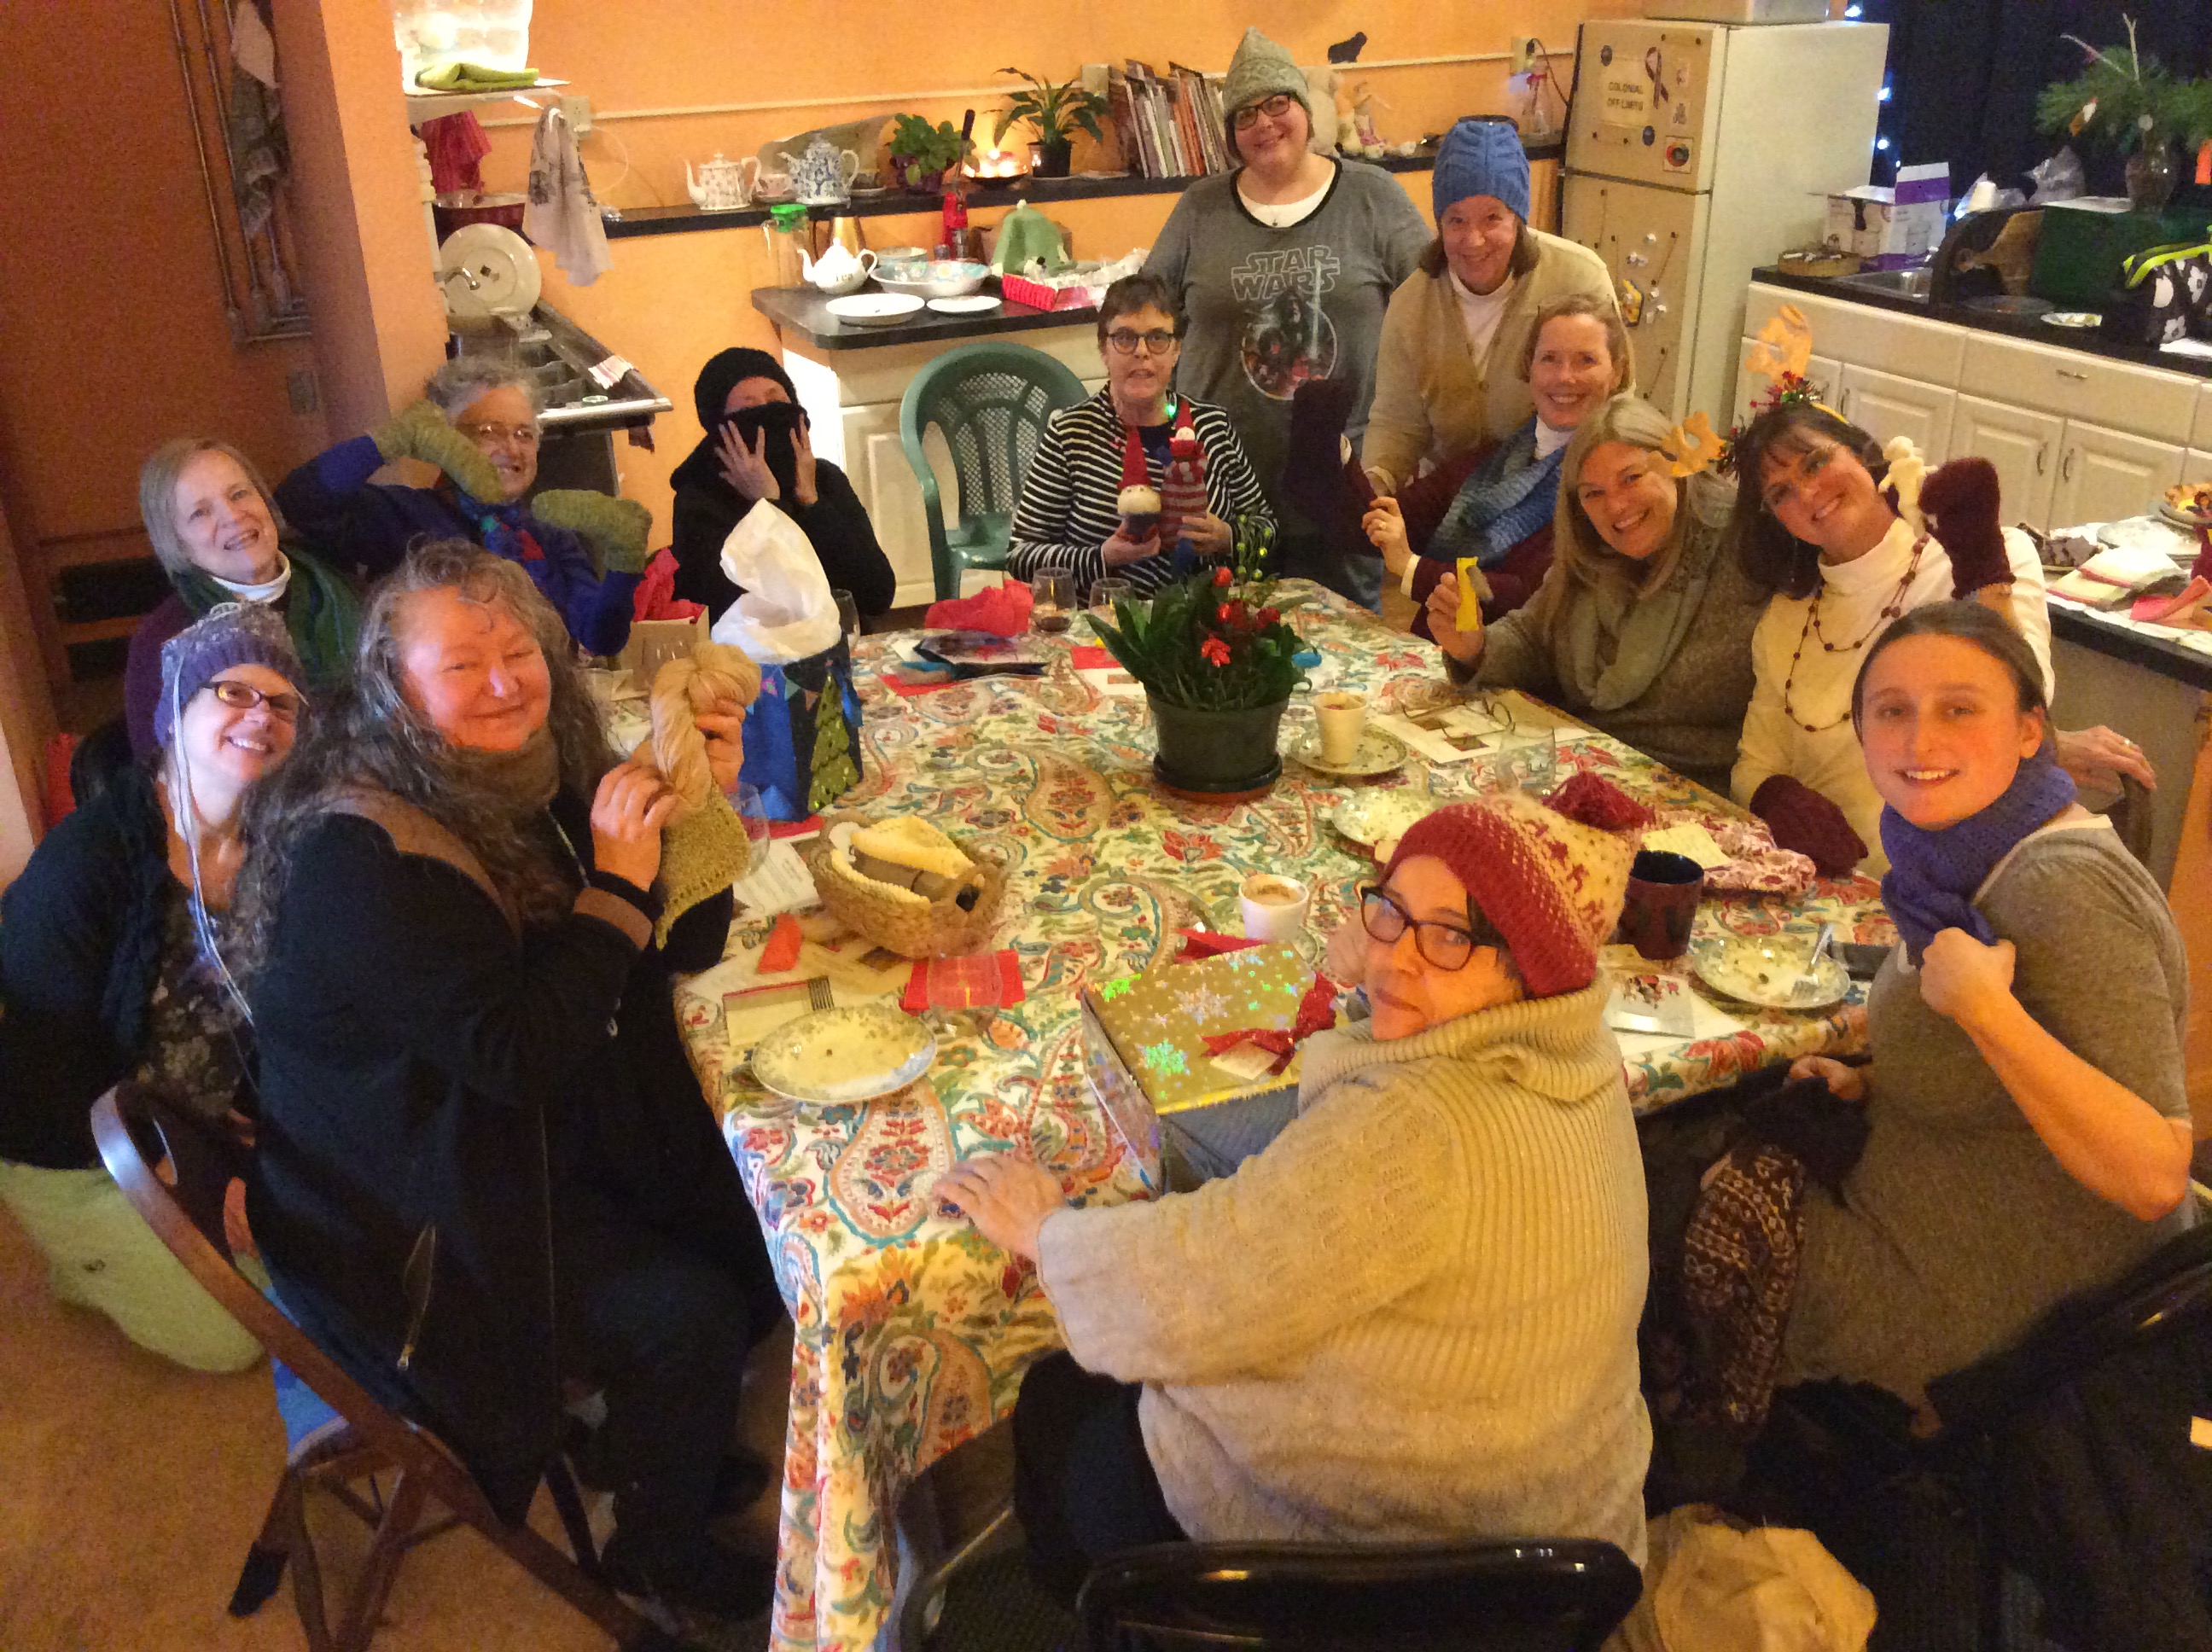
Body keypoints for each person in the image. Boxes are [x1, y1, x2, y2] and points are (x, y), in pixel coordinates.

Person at [236, 541, 783, 1622]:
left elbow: (674, 946)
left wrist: (700, 808)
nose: (504, 683)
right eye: (462, 664)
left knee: (746, 1217)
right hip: (411, 1213)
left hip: (495, 1126)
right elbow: (521, 1049)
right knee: (689, 1309)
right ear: (394, 686)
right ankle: (658, 1553)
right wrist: (619, 884)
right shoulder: (360, 855)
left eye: (518, 651)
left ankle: (655, 1441)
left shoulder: (532, 769)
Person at [939, 795, 1650, 1601]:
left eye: (1451, 936)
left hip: (1397, 1583)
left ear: (1527, 968)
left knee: (1057, 1402)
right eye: (1392, 912)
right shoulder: (1580, 1052)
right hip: (1567, 1538)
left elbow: (1195, 1280)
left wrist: (1044, 1229)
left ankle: (1112, 1616)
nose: (1397, 958)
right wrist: (1380, 977)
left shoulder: (1412, 1130)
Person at [1778, 602, 2193, 1408]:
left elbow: (2155, 1175)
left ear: (2032, 730)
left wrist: (1986, 1014)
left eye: (1959, 710)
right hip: (1940, 1229)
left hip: (2002, 1323)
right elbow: (2005, 1075)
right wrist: (1879, 1078)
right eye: (1891, 711)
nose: (1918, 742)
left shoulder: (2059, 886)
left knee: (1655, 1199)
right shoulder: (1948, 859)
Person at [0, 605, 305, 1372]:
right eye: (233, 692)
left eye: (282, 703)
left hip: (197, 1122)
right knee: (237, 1338)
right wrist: (178, 1180)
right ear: (174, 713)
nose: (261, 716)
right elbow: (44, 1073)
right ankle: (82, 1263)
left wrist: (251, 1150)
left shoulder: (279, 847)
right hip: (77, 1150)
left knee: (323, 1270)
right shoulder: (86, 863)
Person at [1726, 403, 2151, 875]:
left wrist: (1983, 573)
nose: (1808, 492)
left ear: (1861, 452)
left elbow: (2026, 700)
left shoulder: (1989, 554)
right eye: (1781, 493)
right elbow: (1753, 765)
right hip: (1832, 883)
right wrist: (1777, 797)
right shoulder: (1787, 619)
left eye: (1816, 462)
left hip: (1958, 887)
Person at [1144, 26, 1429, 607]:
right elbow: (1146, 313)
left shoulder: (1372, 197)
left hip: (1340, 484)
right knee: (1217, 640)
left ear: (1305, 110)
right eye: (1245, 114)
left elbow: (1434, 307)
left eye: (1278, 104)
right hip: (1221, 491)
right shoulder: (1200, 209)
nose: (1265, 124)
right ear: (1231, 134)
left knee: (1343, 645)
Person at [1423, 393, 1761, 794]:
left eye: (1632, 478)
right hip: (1580, 771)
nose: (1616, 506)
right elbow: (1533, 638)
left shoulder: (1744, 551)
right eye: (1593, 493)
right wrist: (1475, 647)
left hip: (1690, 792)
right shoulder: (1591, 554)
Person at [276, 358, 647, 657]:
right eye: (489, 431)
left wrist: (624, 561)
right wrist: (392, 440)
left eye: (524, 434)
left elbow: (601, 638)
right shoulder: (403, 516)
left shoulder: (547, 532)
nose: (511, 449)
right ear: (446, 439)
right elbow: (300, 501)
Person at [1362, 117, 1619, 498]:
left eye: (1492, 218)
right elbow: (1396, 423)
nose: (1474, 240)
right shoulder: (1411, 305)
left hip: (1563, 487)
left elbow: (1617, 405)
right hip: (1454, 499)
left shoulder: (1580, 279)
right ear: (1439, 224)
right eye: (1457, 220)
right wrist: (1375, 486)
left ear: (1518, 219)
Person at [1363, 293, 1630, 628]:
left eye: (1585, 360)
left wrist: (1409, 566)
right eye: (1549, 359)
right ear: (1529, 368)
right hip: (1444, 643)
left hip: (1515, 658)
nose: (1565, 377)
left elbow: (1528, 595)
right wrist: (1335, 449)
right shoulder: (1491, 460)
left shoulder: (1612, 482)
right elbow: (1382, 519)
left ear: (1617, 372)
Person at [1008, 274, 1273, 598]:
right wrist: (1103, 557)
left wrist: (1228, 537)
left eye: (1158, 338)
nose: (1142, 352)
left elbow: (1266, 528)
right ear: (1103, 349)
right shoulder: (1070, 434)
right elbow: (1020, 555)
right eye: (1125, 337)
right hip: (1105, 618)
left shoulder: (1212, 426)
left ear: (1176, 350)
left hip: (1204, 616)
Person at [121, 439, 362, 759]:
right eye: (200, 513)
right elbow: (160, 771)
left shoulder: (347, 590)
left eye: (239, 494)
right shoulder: (163, 641)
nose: (233, 517)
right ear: (176, 542)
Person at [668, 346, 896, 622]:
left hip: (841, 640)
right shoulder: (698, 499)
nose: (768, 413)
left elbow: (877, 594)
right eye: (749, 409)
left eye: (776, 401)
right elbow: (744, 612)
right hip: (752, 647)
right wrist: (768, 507)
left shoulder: (824, 478)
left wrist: (813, 504)